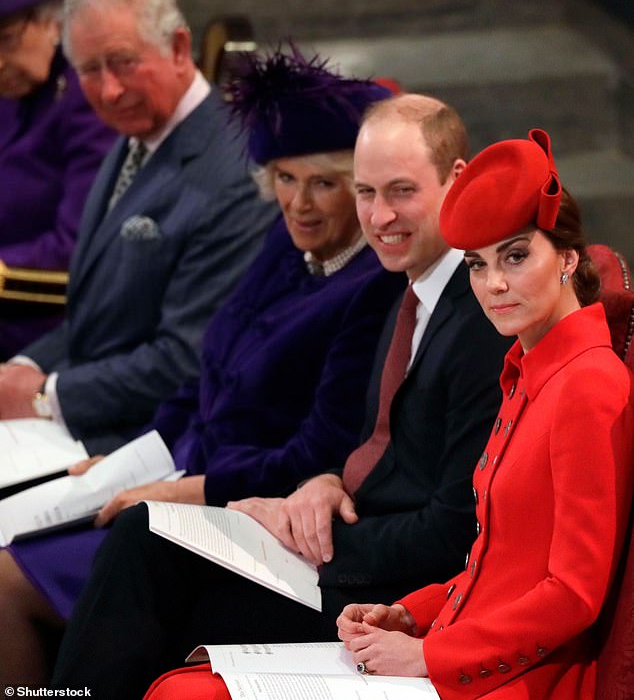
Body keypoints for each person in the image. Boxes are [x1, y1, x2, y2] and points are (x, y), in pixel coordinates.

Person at [51, 93, 512, 699]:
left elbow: (455, 531)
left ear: (456, 180)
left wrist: (308, 537)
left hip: (390, 598)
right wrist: (325, 481)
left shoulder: (482, 315)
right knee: (145, 539)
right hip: (344, 547)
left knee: (154, 575)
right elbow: (373, 444)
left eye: (401, 191)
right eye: (366, 193)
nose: (378, 217)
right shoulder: (409, 289)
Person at [0, 45, 405, 686]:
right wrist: (131, 460)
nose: (298, 203)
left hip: (248, 518)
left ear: (358, 190)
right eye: (284, 178)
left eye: (323, 183)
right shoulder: (287, 240)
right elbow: (206, 374)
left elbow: (314, 454)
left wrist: (175, 491)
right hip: (177, 474)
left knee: (4, 586)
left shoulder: (371, 285)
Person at [337, 130, 634, 699]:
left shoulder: (587, 384)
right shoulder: (528, 369)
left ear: (568, 258)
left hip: (527, 679)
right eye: (477, 264)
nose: (493, 284)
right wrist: (409, 613)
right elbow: (495, 565)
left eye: (516, 256)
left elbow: (573, 594)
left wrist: (429, 654)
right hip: (477, 653)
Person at [0, 0, 276, 453]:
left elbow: (188, 359)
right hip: (85, 424)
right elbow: (96, 319)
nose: (108, 90)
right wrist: (23, 369)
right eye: (89, 70)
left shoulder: (232, 171)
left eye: (124, 63)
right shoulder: (138, 134)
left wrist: (47, 397)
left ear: (177, 47)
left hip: (158, 445)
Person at [0, 0, 115, 359]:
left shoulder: (88, 95)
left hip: (41, 329)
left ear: (51, 21)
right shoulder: (10, 85)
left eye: (5, 39)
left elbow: (77, 247)